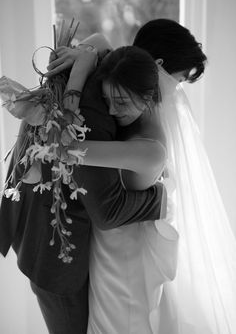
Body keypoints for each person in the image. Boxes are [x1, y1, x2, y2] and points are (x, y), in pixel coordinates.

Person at [51, 20, 236, 333]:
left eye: (118, 103)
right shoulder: (126, 91)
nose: (111, 111)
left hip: (124, 254)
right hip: (112, 248)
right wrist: (85, 59)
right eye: (178, 80)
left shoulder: (150, 146)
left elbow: (65, 148)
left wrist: (76, 81)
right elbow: (99, 41)